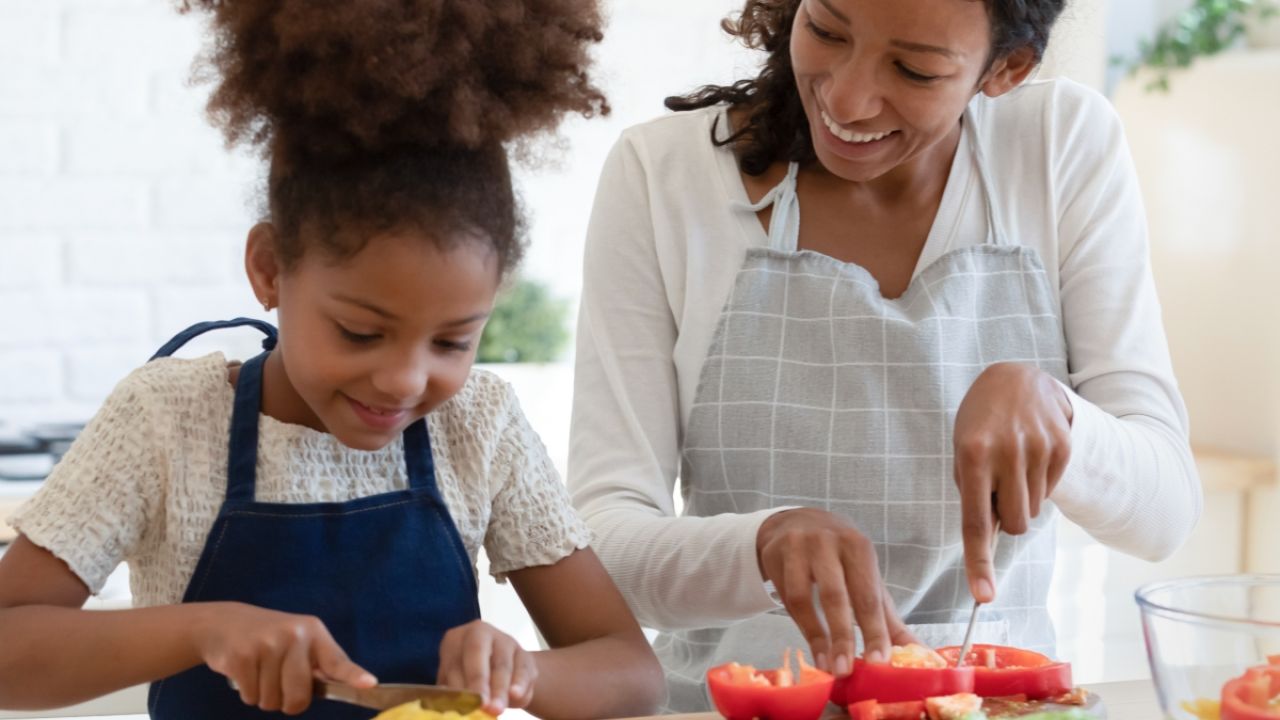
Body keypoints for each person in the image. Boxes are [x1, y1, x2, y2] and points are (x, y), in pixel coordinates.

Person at [0, 1, 664, 718]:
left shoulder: (479, 426)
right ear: (270, 269)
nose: (405, 379)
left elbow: (633, 675)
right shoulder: (165, 420)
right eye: (359, 331)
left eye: (451, 341)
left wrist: (525, 673)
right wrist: (203, 628)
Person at [568, 0, 1203, 711]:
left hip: (996, 704)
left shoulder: (1060, 145)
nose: (845, 97)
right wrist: (759, 547)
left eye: (914, 69)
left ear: (1005, 68)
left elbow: (1166, 511)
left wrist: (1060, 417)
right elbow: (597, 549)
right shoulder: (662, 175)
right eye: (827, 31)